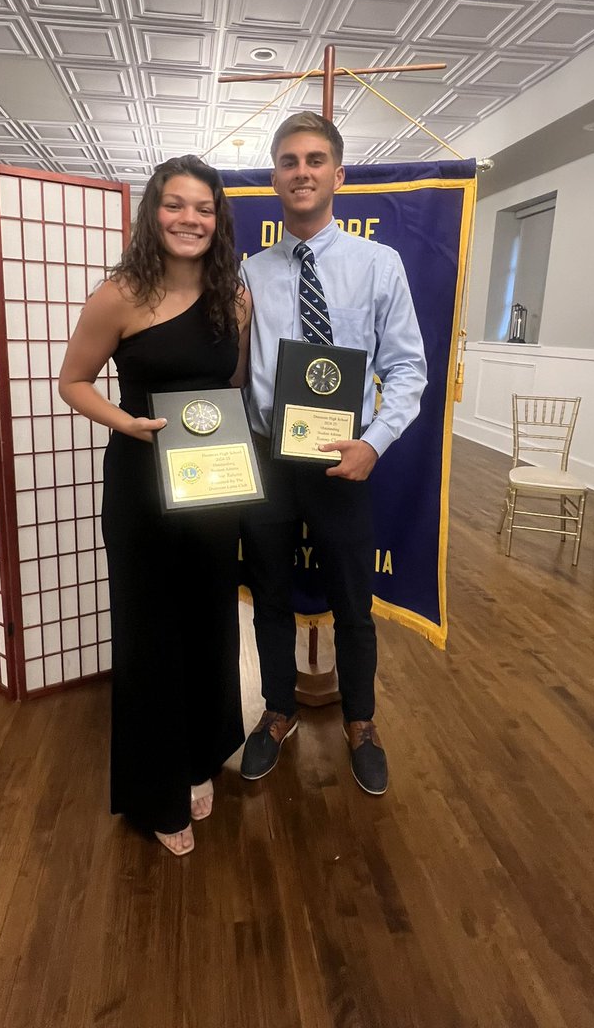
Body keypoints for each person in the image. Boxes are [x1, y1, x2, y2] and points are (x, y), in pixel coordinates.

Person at [58, 156, 250, 856]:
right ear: (153, 212)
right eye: (176, 205)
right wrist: (126, 422)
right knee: (152, 636)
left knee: (209, 626)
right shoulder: (118, 295)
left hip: (210, 486)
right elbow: (72, 381)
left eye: (203, 208)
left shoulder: (234, 294)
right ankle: (156, 793)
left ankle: (199, 760)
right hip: (141, 483)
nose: (190, 219)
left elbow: (227, 384)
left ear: (217, 217)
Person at [239, 112, 427, 795]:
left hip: (343, 461)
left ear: (338, 175)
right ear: (275, 178)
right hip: (266, 460)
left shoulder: (380, 265)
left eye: (315, 160)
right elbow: (236, 366)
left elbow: (408, 369)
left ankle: (363, 723)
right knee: (269, 600)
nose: (302, 171)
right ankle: (278, 711)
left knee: (353, 600)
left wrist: (374, 444)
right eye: (289, 161)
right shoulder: (249, 272)